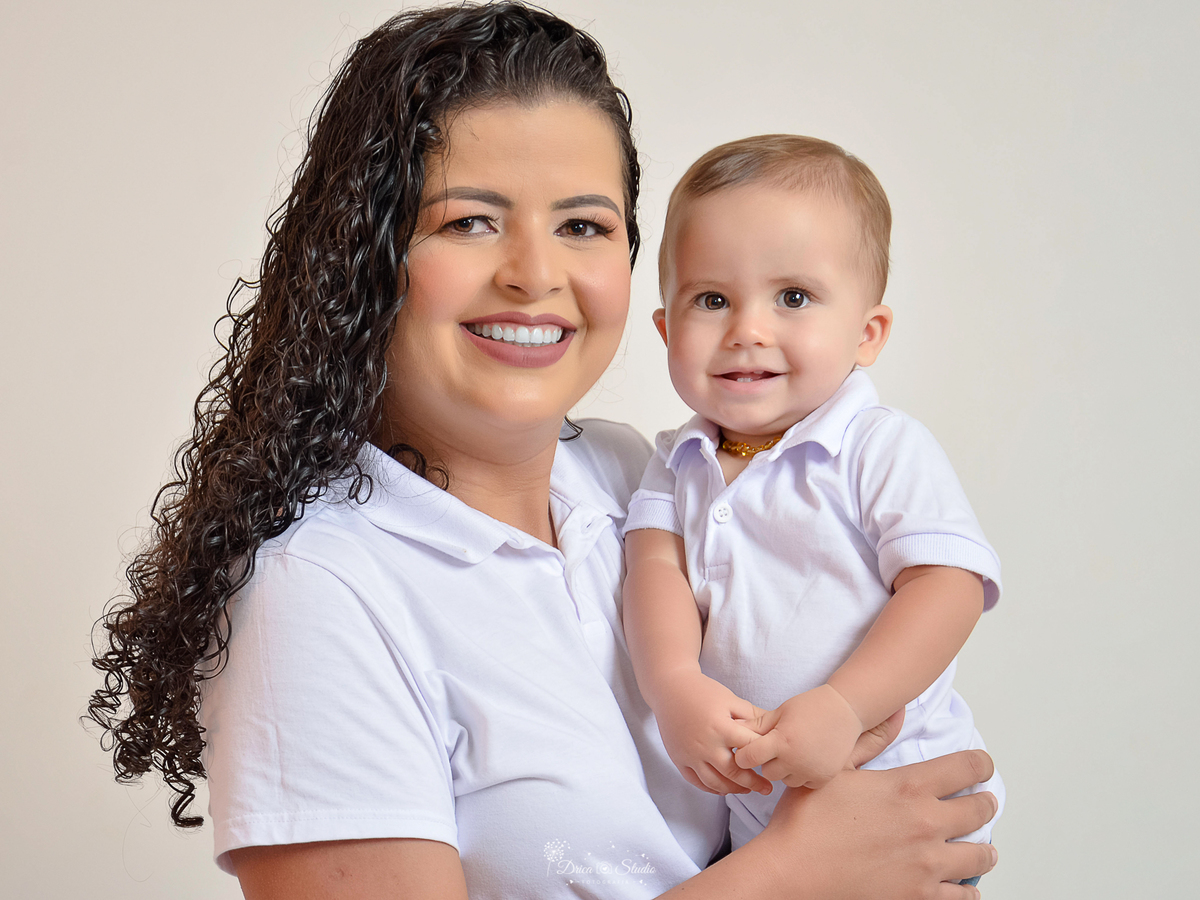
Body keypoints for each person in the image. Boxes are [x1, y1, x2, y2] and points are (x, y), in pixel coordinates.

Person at [88, 6, 999, 898]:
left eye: (583, 226)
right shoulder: (318, 589)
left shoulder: (637, 474)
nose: (534, 274)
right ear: (364, 256)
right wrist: (789, 875)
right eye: (470, 221)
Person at [621, 135, 1004, 870]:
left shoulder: (878, 446)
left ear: (867, 334)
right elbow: (654, 572)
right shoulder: (674, 459)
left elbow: (947, 585)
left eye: (793, 298)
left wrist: (846, 706)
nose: (747, 330)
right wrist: (673, 686)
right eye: (712, 300)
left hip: (900, 793)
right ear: (666, 329)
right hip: (755, 817)